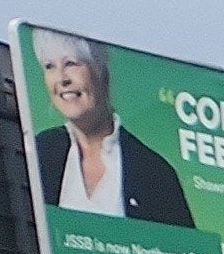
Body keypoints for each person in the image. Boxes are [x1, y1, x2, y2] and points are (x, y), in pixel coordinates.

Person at [31, 32, 197, 231]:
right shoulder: (38, 152)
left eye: (71, 64)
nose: (61, 79)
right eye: (50, 66)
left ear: (101, 72)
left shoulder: (154, 172)